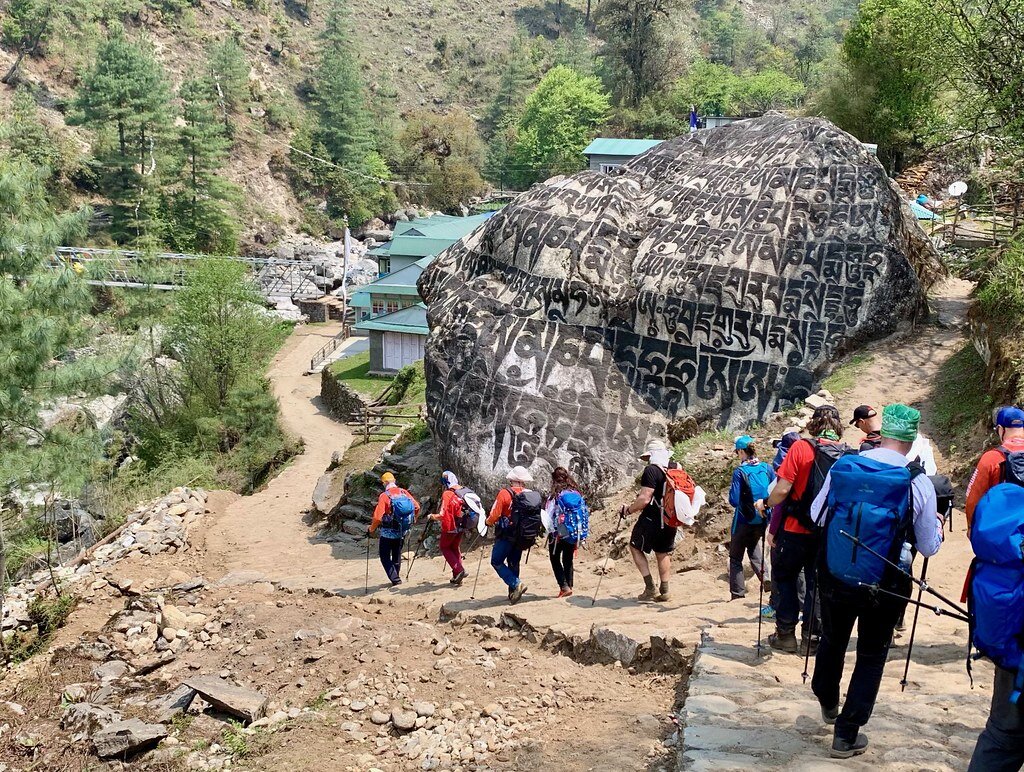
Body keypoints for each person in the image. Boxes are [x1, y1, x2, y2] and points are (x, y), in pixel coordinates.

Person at [809, 404, 942, 759]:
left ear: (882, 434)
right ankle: (846, 734)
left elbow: (816, 515)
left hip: (836, 573)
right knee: (870, 655)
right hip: (886, 581)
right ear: (912, 439)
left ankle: (826, 698)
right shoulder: (917, 482)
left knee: (833, 639)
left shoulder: (844, 466)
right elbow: (929, 546)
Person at [759, 405, 849, 654]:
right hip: (826, 533)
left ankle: (785, 634)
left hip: (795, 529)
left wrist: (764, 504)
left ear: (813, 423)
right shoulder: (846, 454)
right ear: (838, 426)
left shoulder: (801, 447)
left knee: (786, 577)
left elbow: (782, 490)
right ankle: (812, 639)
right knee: (817, 583)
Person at [966, 406, 1024, 772]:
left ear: (1000, 428)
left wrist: (989, 550)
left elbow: (973, 506)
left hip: (1009, 589)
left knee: (1003, 735)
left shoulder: (991, 458)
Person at [622, 440, 678, 603]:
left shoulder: (652, 470)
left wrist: (628, 510)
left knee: (635, 546)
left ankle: (650, 588)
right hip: (670, 517)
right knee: (663, 552)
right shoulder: (675, 467)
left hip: (652, 517)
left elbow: (644, 499)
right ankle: (665, 590)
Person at [486, 466, 543, 604]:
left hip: (506, 534)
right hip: (523, 535)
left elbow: (495, 514)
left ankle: (516, 584)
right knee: (514, 562)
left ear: (512, 479)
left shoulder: (504, 493)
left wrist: (488, 522)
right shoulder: (530, 494)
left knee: (496, 561)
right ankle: (513, 594)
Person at [727, 436, 774, 600]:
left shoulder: (740, 472)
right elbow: (774, 491)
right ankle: (767, 577)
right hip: (762, 518)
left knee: (735, 558)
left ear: (741, 451)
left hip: (743, 519)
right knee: (753, 548)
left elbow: (733, 500)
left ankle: (737, 594)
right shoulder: (767, 468)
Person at [965, 406, 1024, 528]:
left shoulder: (991, 458)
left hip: (1001, 531)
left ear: (1000, 429)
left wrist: (971, 528)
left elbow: (973, 500)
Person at [544, 467, 590, 598]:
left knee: (555, 558)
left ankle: (564, 587)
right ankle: (569, 586)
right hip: (574, 531)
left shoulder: (555, 495)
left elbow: (548, 514)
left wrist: (549, 530)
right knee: (568, 559)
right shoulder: (576, 493)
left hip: (558, 533)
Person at [368, 472, 420, 586]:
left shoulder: (385, 496)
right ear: (394, 481)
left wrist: (371, 529)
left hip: (387, 533)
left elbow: (377, 517)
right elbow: (417, 507)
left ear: (385, 483)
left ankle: (395, 579)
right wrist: (414, 519)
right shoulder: (403, 492)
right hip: (402, 530)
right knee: (396, 554)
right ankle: (396, 576)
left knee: (384, 556)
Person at [428, 471, 468, 585]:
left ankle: (459, 570)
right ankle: (457, 574)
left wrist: (432, 516)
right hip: (462, 524)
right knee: (454, 547)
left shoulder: (448, 493)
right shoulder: (462, 490)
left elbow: (443, 513)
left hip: (450, 525)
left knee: (444, 547)